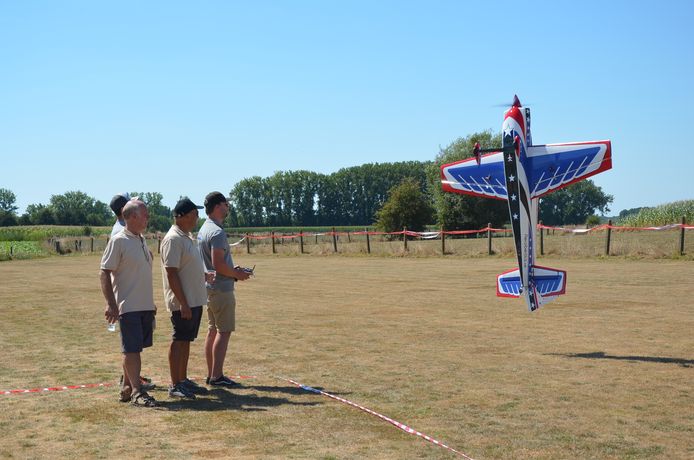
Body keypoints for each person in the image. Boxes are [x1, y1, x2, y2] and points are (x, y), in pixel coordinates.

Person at [100, 199, 158, 407]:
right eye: (145, 215)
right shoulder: (119, 240)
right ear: (132, 217)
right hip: (128, 306)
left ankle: (126, 386)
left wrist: (151, 303)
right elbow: (104, 272)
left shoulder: (141, 240)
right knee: (131, 350)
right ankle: (137, 391)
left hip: (144, 306)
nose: (148, 218)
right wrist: (111, 304)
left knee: (135, 348)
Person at [197, 191, 250, 387]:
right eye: (226, 204)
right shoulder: (217, 232)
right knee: (223, 331)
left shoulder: (204, 229)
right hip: (221, 288)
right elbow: (218, 264)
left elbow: (213, 263)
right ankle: (217, 376)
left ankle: (212, 374)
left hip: (210, 288)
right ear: (218, 206)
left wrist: (233, 270)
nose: (228, 207)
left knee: (212, 331)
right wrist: (237, 274)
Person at [160, 198, 210, 399]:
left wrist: (203, 275)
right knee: (179, 339)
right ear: (181, 216)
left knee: (186, 340)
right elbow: (171, 273)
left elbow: (185, 267)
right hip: (184, 302)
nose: (196, 218)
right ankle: (174, 384)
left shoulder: (186, 237)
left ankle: (182, 379)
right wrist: (183, 303)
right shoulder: (172, 239)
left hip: (193, 299)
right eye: (193, 215)